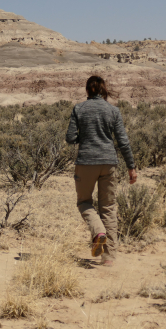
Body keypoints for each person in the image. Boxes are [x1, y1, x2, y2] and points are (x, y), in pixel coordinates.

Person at [65, 76, 137, 265]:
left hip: (86, 162)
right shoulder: (113, 110)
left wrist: (86, 137)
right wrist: (131, 166)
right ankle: (109, 257)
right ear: (103, 90)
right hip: (109, 163)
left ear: (87, 90)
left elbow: (70, 138)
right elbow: (123, 141)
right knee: (108, 208)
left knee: (84, 202)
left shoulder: (79, 109)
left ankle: (98, 232)